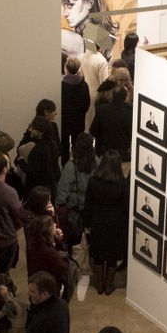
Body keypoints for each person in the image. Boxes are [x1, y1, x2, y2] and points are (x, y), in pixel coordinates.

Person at [84, 149, 129, 294]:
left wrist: (86, 223)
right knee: (111, 257)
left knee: (97, 255)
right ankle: (109, 285)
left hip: (97, 222)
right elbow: (125, 206)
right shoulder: (121, 183)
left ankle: (99, 284)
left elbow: (88, 204)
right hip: (115, 224)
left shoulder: (93, 181)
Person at [89, 80, 133, 160]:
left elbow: (93, 131)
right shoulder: (130, 114)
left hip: (104, 153)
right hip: (122, 155)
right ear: (125, 97)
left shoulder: (102, 110)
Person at [60, 54, 91, 162]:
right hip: (79, 118)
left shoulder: (62, 85)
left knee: (64, 142)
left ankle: (64, 163)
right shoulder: (84, 84)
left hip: (65, 118)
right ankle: (77, 163)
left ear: (66, 68)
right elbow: (87, 103)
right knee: (77, 142)